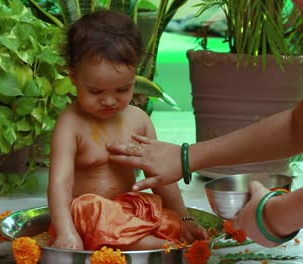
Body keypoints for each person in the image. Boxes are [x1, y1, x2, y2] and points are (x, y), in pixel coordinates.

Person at [47, 10, 207, 251]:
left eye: (122, 89)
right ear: (73, 77)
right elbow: (60, 184)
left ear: (135, 75)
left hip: (127, 211)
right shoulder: (71, 124)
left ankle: (155, 239)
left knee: (160, 215)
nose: (110, 101)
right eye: (96, 92)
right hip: (88, 218)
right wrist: (66, 232)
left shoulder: (139, 120)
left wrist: (184, 217)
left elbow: (161, 178)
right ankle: (152, 245)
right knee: (88, 207)